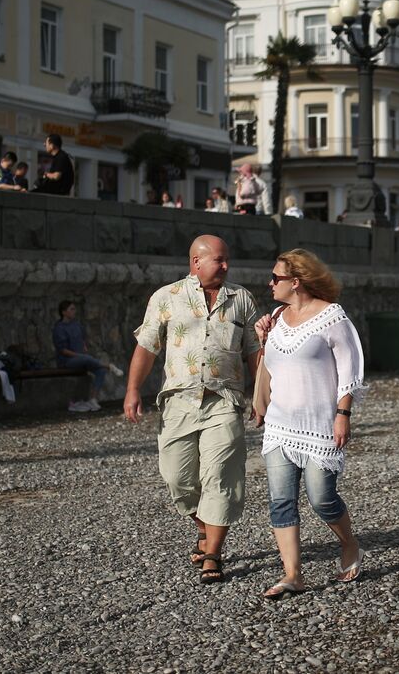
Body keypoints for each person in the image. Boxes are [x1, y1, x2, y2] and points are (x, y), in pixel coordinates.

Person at [123, 235, 263, 585]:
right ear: (196, 262)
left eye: (227, 259)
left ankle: (213, 554)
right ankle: (204, 525)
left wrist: (263, 396)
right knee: (178, 478)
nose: (226, 265)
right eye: (219, 259)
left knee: (221, 475)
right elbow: (147, 347)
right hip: (179, 400)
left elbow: (255, 353)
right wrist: (132, 390)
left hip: (224, 401)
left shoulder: (241, 298)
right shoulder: (165, 297)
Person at [252, 249, 366, 598]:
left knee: (322, 498)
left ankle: (349, 544)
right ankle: (292, 575)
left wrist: (343, 414)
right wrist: (262, 339)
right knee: (281, 501)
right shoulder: (275, 317)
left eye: (276, 278)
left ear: (296, 281)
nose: (269, 283)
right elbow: (273, 365)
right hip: (280, 425)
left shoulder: (332, 316)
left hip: (320, 424)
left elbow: (350, 369)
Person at [52, 300, 124, 413]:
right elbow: (63, 350)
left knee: (100, 371)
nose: (74, 311)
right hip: (67, 361)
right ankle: (108, 366)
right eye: (71, 309)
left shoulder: (76, 324)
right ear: (64, 312)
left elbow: (83, 339)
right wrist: (79, 355)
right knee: (87, 359)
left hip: (81, 358)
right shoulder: (59, 328)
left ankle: (93, 399)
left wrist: (83, 348)